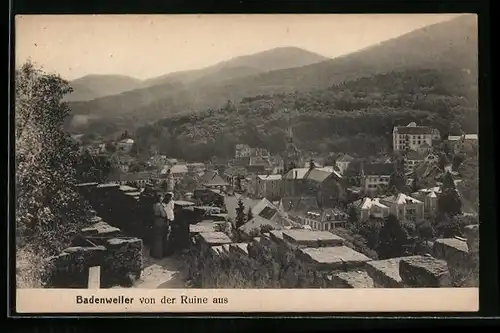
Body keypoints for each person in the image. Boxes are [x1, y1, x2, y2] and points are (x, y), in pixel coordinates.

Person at [151, 192, 167, 259]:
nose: (162, 198)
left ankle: (154, 253)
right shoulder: (160, 206)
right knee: (160, 238)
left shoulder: (154, 205)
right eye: (161, 197)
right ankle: (159, 254)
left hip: (155, 221)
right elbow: (163, 215)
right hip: (160, 221)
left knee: (156, 237)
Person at [162, 192, 175, 256]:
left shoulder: (163, 203)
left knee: (164, 235)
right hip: (170, 218)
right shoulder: (171, 202)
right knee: (168, 235)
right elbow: (172, 208)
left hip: (164, 218)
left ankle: (164, 250)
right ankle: (167, 251)